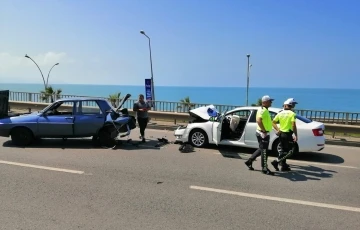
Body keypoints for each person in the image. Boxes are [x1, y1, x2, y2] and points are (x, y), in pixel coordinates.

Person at [244, 95, 275, 175]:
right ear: (265, 102)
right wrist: (264, 131)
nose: (271, 103)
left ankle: (249, 161)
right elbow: (258, 120)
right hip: (263, 133)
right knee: (264, 151)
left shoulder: (264, 109)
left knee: (261, 149)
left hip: (263, 132)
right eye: (270, 101)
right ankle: (264, 169)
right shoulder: (263, 110)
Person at [270, 98, 298, 171]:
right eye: (293, 104)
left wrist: (278, 129)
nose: (294, 106)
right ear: (291, 105)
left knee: (283, 150)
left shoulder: (280, 113)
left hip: (281, 134)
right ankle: (276, 162)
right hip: (288, 134)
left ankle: (284, 166)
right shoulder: (292, 114)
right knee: (290, 151)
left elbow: (273, 122)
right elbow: (293, 125)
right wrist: (296, 135)